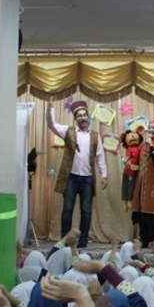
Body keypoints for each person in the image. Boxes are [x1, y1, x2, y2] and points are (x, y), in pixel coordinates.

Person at [47, 100, 108, 248]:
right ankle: (65, 240)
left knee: (86, 211)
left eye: (84, 115)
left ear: (87, 116)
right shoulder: (68, 132)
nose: (82, 118)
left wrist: (104, 175)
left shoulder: (95, 136)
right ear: (75, 118)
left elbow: (100, 156)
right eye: (79, 115)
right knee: (67, 209)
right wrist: (50, 110)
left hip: (87, 178)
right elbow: (52, 125)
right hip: (71, 177)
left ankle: (83, 240)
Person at [131, 120, 154, 248]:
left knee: (152, 212)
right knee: (142, 211)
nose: (151, 130)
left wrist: (152, 146)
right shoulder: (143, 145)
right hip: (142, 184)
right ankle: (144, 239)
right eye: (150, 127)